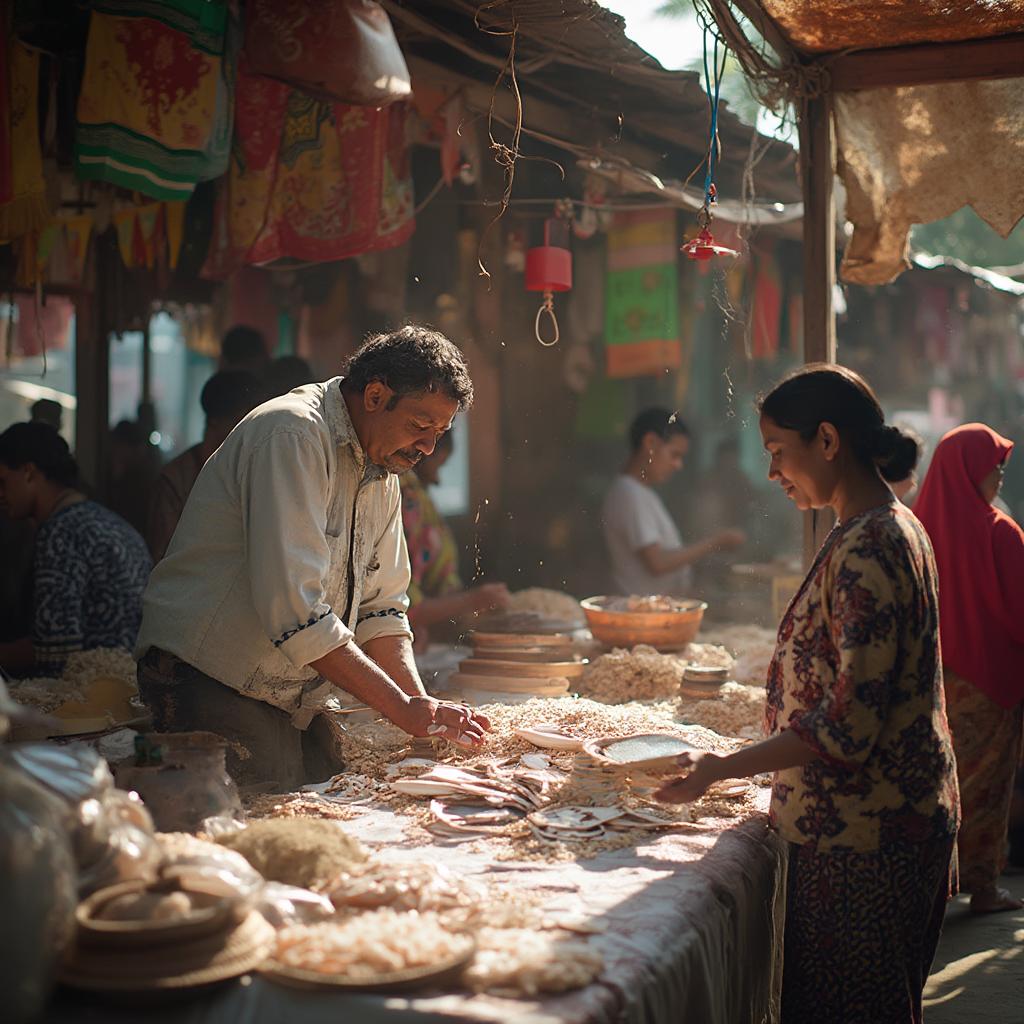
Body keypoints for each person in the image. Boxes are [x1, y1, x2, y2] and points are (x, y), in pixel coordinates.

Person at [655, 365, 959, 1024]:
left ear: (827, 441)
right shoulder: (877, 526)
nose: (772, 473)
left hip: (865, 841)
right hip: (880, 825)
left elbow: (849, 726)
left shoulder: (871, 543)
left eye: (777, 452)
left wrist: (720, 769)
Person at [135, 325, 491, 789]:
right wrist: (401, 708)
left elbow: (381, 609)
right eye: (419, 426)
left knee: (335, 784)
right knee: (271, 805)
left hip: (286, 688)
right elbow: (296, 614)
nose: (428, 447)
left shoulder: (382, 468)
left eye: (438, 433)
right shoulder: (293, 436)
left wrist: (418, 704)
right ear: (375, 395)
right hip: (204, 675)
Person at [914, 423, 1024, 914]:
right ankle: (982, 887)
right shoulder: (1001, 533)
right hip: (989, 682)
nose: (999, 476)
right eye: (993, 466)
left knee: (933, 785)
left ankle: (929, 883)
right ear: (967, 470)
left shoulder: (913, 528)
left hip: (928, 685)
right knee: (987, 786)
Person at [0, 423, 152, 677]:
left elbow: (55, 652)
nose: (0, 494)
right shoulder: (100, 518)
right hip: (134, 684)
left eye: (2, 482)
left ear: (29, 472)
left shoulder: (60, 532)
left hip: (97, 694)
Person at [601, 408, 745, 596]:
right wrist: (717, 541)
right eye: (674, 455)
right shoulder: (629, 493)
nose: (678, 465)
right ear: (650, 443)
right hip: (643, 615)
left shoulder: (641, 492)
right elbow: (658, 563)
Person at [401, 430, 509, 650]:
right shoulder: (404, 498)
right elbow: (406, 608)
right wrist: (474, 600)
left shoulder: (420, 499)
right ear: (422, 451)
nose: (438, 479)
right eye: (438, 465)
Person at [146, 370, 261, 561]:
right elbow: (164, 557)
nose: (252, 432)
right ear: (215, 422)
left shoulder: (253, 470)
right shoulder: (175, 481)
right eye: (243, 422)